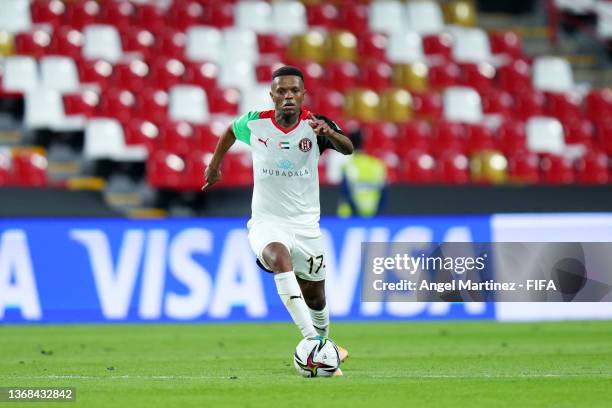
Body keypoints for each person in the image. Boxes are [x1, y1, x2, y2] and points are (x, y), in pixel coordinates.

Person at [203, 66, 353, 375]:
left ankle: (325, 341)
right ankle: (315, 344)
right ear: (272, 95)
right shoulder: (256, 123)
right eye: (281, 91)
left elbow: (348, 149)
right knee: (278, 257)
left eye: (294, 91)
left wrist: (330, 134)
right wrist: (214, 166)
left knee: (316, 294)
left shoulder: (316, 125)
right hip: (267, 222)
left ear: (302, 95)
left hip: (306, 225)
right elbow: (229, 131)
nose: (288, 96)